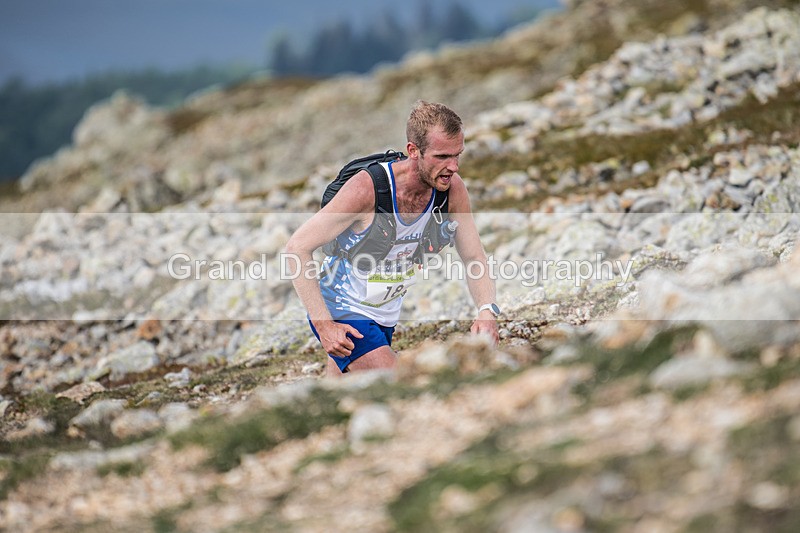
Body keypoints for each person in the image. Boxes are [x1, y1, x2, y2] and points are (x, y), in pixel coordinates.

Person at [285, 100, 499, 376]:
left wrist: (486, 310)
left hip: (385, 315)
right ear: (413, 151)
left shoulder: (451, 190)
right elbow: (297, 248)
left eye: (457, 155)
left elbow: (474, 256)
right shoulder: (368, 189)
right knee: (402, 382)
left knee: (348, 396)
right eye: (442, 157)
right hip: (342, 308)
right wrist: (325, 325)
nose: (454, 167)